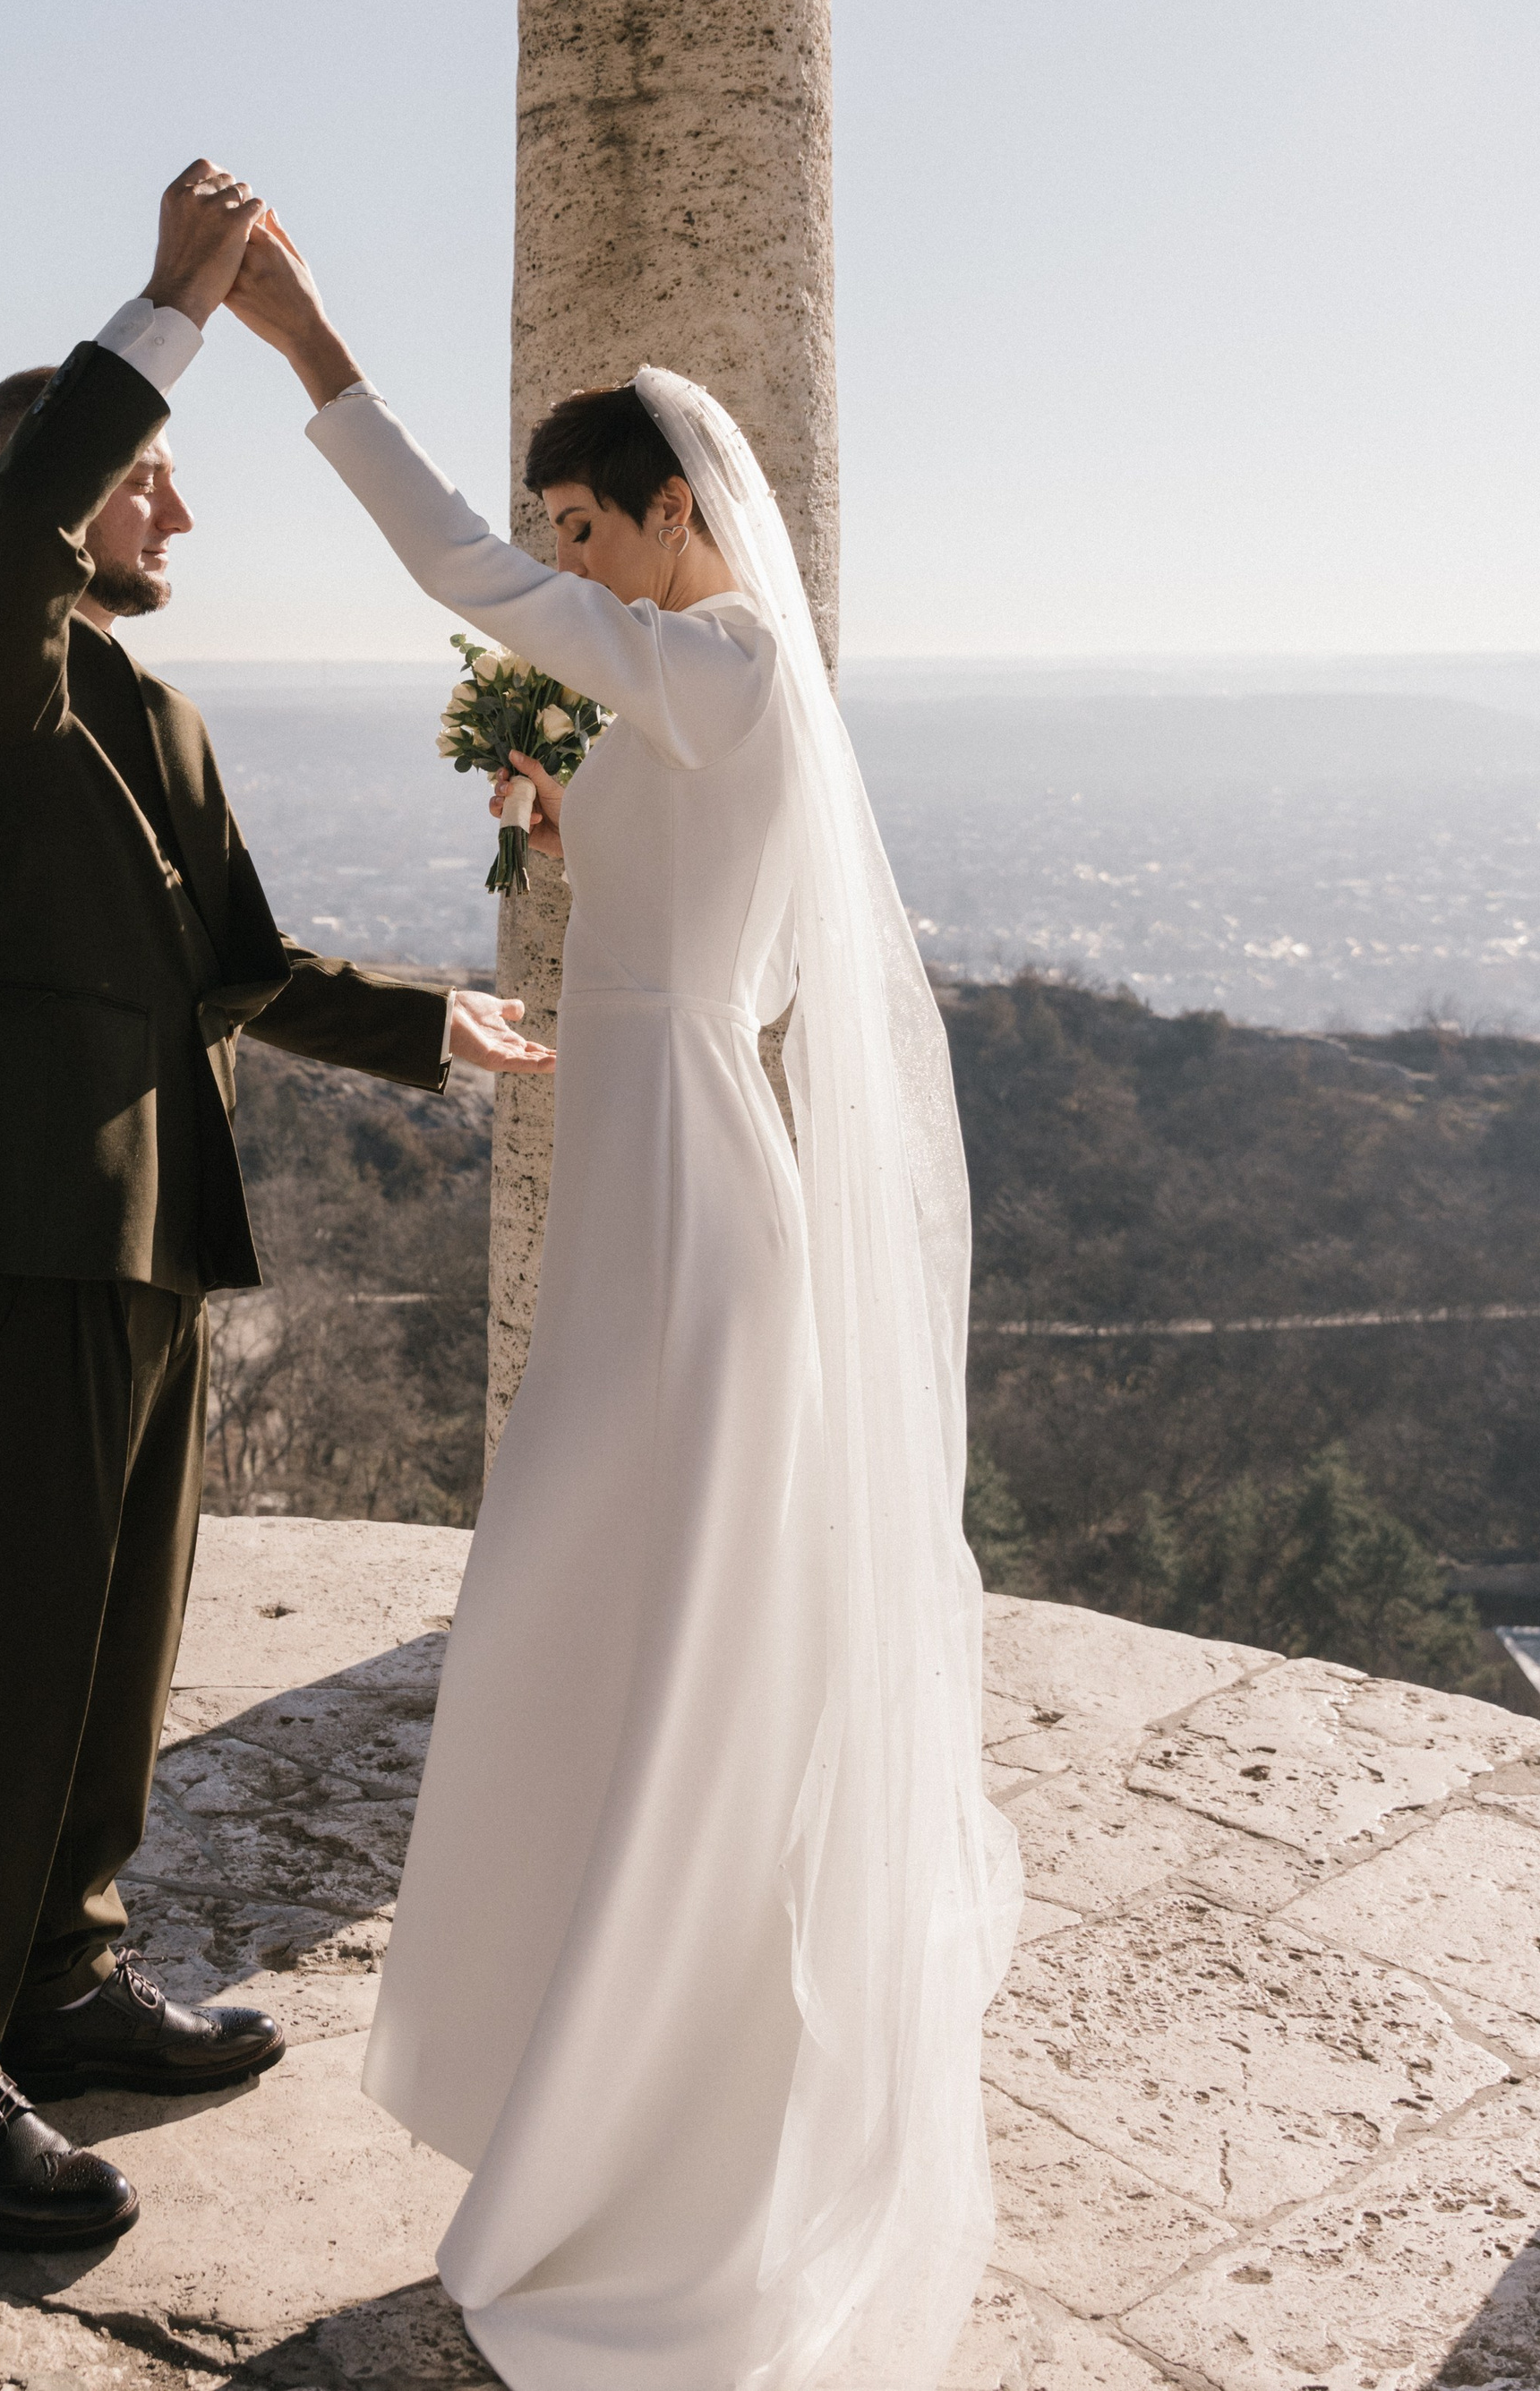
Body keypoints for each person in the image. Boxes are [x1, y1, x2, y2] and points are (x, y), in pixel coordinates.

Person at [225, 211, 1022, 2391]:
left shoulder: (733, 656)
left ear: (676, 511)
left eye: (585, 526)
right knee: (592, 1603)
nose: (562, 563)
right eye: (559, 534)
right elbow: (670, 886)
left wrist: (312, 352)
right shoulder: (686, 691)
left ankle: (655, 2136)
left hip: (692, 1198)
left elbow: (462, 573)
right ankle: (587, 2071)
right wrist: (560, 817)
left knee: (668, 1634)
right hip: (645, 1168)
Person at [0, 161, 553, 2253]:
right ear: (60, 496)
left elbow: (233, 965)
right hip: (18, 1238)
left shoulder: (155, 709)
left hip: (157, 1243)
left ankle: (60, 1981)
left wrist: (431, 1027)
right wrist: (160, 312)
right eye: (148, 477)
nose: (177, 509)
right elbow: (7, 553)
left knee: (111, 1644)